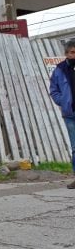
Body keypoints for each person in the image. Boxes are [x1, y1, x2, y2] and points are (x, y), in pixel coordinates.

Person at [48, 39, 75, 189]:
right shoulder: (59, 69)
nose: (72, 55)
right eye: (70, 52)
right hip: (70, 114)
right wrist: (63, 102)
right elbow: (54, 89)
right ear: (66, 54)